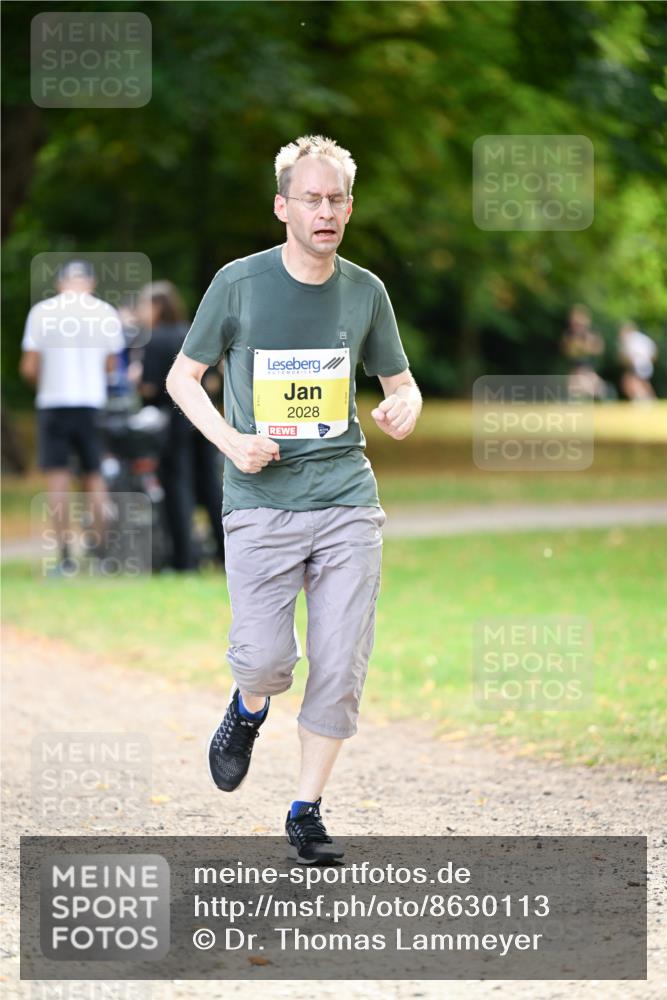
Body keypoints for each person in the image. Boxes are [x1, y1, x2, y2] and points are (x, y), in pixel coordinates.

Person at [166, 134, 422, 864]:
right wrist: (232, 441)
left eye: (336, 198)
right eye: (310, 198)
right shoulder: (238, 284)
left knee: (339, 665)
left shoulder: (365, 291)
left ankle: (306, 808)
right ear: (282, 207)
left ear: (348, 207)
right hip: (259, 499)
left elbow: (398, 382)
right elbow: (185, 378)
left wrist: (405, 403)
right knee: (266, 661)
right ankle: (248, 706)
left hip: (345, 494)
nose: (325, 210)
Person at [19, 260, 124, 573]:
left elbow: (28, 367)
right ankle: (102, 555)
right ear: (90, 283)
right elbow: (111, 366)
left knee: (58, 480)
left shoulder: (42, 312)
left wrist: (46, 383)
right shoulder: (104, 312)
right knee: (95, 476)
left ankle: (65, 557)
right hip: (91, 403)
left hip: (53, 403)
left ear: (59, 283)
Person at [137, 281, 226, 571]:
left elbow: (150, 388)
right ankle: (225, 553)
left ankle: (185, 559)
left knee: (178, 489)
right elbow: (213, 380)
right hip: (203, 418)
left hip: (172, 424)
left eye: (144, 305)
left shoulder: (154, 339)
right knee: (211, 486)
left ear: (158, 307)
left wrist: (136, 379)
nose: (140, 312)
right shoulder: (193, 334)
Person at [560, 303, 606, 399]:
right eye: (575, 323)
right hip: (575, 370)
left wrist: (585, 346)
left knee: (591, 386)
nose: (577, 326)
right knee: (574, 386)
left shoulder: (590, 335)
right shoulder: (568, 335)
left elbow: (599, 349)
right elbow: (568, 351)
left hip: (588, 369)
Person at [618, 321, 658, 402]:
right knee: (641, 382)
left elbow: (626, 357)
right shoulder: (641, 338)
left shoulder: (630, 339)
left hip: (639, 364)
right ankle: (649, 399)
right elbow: (654, 352)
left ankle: (641, 399)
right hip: (645, 364)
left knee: (632, 381)